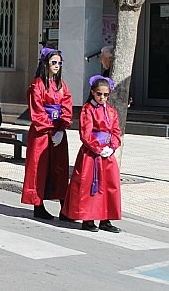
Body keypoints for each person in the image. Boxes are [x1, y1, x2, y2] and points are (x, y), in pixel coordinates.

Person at [61, 76, 122, 233]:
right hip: (92, 154)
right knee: (90, 186)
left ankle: (105, 219)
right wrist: (98, 148)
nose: (102, 98)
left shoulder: (111, 111)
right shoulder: (87, 110)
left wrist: (113, 146)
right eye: (99, 94)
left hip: (107, 154)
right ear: (93, 93)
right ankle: (88, 219)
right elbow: (86, 134)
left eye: (106, 95)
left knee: (109, 185)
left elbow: (116, 131)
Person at [22, 48, 73, 220]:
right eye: (54, 62)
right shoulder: (37, 85)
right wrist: (50, 130)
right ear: (45, 63)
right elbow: (37, 110)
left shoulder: (61, 85)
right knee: (39, 167)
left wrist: (61, 128)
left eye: (59, 63)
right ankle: (38, 204)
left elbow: (67, 106)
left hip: (58, 132)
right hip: (41, 133)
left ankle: (64, 206)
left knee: (60, 168)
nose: (57, 66)